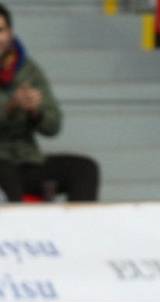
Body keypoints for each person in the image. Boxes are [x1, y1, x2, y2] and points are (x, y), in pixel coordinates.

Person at [0, 3, 99, 202]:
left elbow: (54, 126)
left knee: (85, 169)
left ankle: (78, 231)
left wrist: (36, 112)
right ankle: (19, 230)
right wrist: (9, 107)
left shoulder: (28, 70)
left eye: (0, 30)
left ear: (10, 33)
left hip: (27, 160)